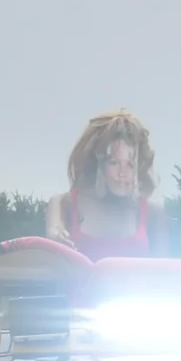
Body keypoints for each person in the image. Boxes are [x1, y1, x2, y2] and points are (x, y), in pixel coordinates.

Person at [44, 110, 168, 260]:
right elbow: (53, 236)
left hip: (137, 284)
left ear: (138, 166)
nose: (122, 173)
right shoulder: (63, 203)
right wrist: (57, 237)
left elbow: (163, 270)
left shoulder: (153, 212)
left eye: (130, 164)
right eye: (114, 162)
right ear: (98, 163)